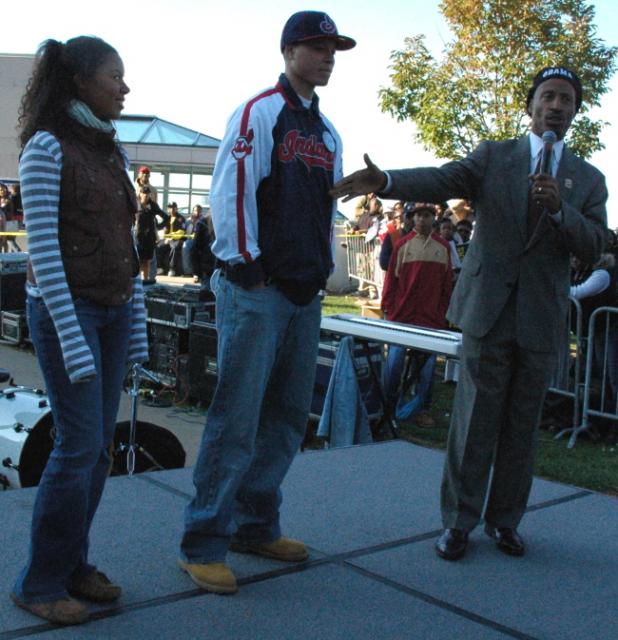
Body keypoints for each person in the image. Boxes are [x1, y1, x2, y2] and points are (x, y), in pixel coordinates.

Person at [331, 65, 607, 561]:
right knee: (474, 421)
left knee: (522, 428)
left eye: (566, 99)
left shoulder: (588, 180)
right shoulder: (494, 157)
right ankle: (458, 523)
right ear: (531, 106)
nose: (557, 106)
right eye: (548, 96)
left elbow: (595, 240)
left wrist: (562, 210)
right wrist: (387, 180)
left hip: (541, 318)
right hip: (487, 311)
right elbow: (441, 179)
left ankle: (505, 523)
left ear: (574, 111)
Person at [179, 10, 355, 594]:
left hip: (304, 295)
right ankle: (204, 541)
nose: (328, 56)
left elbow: (324, 210)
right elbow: (230, 190)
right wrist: (245, 267)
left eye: (334, 48)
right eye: (317, 46)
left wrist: (324, 271)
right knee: (237, 418)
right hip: (258, 290)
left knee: (283, 420)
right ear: (289, 51)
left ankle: (256, 526)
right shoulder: (261, 109)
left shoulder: (329, 132)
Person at [11, 36, 148, 625]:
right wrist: (72, 337)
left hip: (112, 313)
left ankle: (72, 564)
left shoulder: (108, 149)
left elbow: (126, 247)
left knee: (95, 454)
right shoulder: (47, 148)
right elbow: (41, 251)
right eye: (115, 76)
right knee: (78, 448)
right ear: (80, 82)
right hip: (69, 315)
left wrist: (135, 326)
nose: (125, 87)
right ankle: (39, 582)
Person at [381, 204, 453, 427]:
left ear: (434, 218)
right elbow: (391, 281)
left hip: (430, 318)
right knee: (394, 364)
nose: (422, 220)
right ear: (412, 219)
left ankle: (422, 409)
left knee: (428, 368)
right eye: (419, 216)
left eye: (427, 215)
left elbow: (447, 285)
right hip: (402, 316)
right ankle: (387, 406)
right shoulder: (402, 245)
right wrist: (388, 307)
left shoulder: (443, 247)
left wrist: (443, 313)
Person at [135, 186, 167, 282]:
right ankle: (137, 281)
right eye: (144, 193)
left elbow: (166, 217)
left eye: (147, 193)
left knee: (147, 261)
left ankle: (145, 280)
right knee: (137, 261)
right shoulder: (135, 204)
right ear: (140, 194)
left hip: (149, 238)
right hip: (137, 237)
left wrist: (158, 227)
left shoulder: (153, 205)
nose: (145, 195)